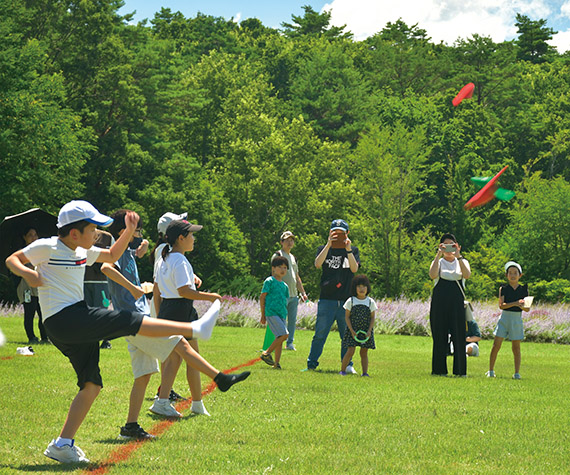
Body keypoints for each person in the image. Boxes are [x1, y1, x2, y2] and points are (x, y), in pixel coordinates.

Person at [5, 200, 250, 463]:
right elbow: (13, 259)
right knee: (126, 319)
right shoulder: (48, 246)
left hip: (74, 322)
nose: (97, 235)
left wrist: (127, 231)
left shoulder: (81, 252)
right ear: (74, 233)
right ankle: (194, 328)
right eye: (93, 230)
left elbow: (110, 256)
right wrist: (27, 273)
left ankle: (63, 444)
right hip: (65, 319)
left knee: (92, 384)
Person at [154, 219, 225, 417]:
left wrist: (161, 315)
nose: (194, 239)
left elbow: (160, 289)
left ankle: (196, 403)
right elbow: (184, 291)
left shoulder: (165, 258)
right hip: (180, 311)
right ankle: (163, 401)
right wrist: (210, 296)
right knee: (181, 358)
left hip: (170, 309)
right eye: (191, 235)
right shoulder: (180, 260)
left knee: (187, 358)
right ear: (181, 238)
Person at [305, 219, 360, 372]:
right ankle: (311, 364)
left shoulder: (353, 250)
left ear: (347, 233)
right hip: (326, 299)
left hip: (346, 300)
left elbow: (354, 269)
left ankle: (347, 365)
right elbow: (317, 264)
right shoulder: (323, 248)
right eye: (335, 232)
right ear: (330, 233)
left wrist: (348, 250)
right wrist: (329, 244)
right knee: (320, 334)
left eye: (341, 233)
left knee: (347, 335)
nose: (338, 235)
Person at [149, 211, 191, 403]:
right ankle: (164, 392)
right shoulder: (165, 250)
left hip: (165, 305)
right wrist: (159, 315)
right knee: (172, 354)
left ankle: (165, 390)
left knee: (172, 353)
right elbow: (158, 284)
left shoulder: (167, 250)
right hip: (165, 305)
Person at [428, 233, 471, 377]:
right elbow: (432, 275)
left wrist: (458, 255)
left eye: (451, 245)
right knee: (439, 336)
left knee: (458, 336)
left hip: (456, 304)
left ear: (457, 246)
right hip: (439, 304)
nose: (448, 249)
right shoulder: (439, 262)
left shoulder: (462, 262)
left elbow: (467, 275)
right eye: (445, 246)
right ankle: (439, 370)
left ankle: (460, 371)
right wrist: (438, 255)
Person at [487, 261, 529, 380]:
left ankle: (516, 373)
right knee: (496, 345)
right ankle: (491, 371)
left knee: (516, 348)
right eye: (510, 273)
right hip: (504, 318)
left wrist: (522, 306)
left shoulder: (524, 289)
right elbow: (501, 305)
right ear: (506, 275)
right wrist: (516, 303)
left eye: (515, 273)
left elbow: (527, 308)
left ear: (520, 275)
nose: (513, 275)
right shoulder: (503, 288)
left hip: (516, 319)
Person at [272, 231, 307, 351]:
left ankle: (290, 343)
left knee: (292, 321)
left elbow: (297, 277)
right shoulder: (277, 255)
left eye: (292, 240)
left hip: (294, 295)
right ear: (281, 242)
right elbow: (273, 275)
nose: (290, 242)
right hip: (281, 294)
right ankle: (277, 342)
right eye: (287, 240)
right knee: (280, 320)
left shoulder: (293, 258)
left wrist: (303, 292)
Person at [339, 275, 376, 377]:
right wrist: (351, 330)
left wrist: (369, 330)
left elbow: (372, 317)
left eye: (364, 286)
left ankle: (364, 373)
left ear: (367, 288)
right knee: (350, 351)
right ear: (354, 288)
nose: (361, 289)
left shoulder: (370, 302)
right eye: (359, 286)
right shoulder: (350, 301)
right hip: (353, 331)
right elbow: (347, 317)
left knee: (364, 352)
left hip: (366, 331)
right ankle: (342, 371)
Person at [16, 227, 48, 344]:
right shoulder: (21, 252)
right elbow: (24, 268)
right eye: (30, 235)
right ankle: (32, 337)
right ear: (24, 237)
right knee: (29, 312)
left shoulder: (41, 252)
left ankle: (45, 337)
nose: (34, 237)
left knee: (42, 312)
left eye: (35, 234)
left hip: (40, 286)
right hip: (27, 286)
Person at [83, 229, 113, 349]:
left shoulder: (107, 236)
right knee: (86, 312)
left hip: (101, 281)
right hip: (84, 279)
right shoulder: (82, 234)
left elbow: (114, 255)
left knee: (102, 312)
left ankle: (105, 340)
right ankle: (89, 339)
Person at [259, 256, 290, 369]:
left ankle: (276, 364)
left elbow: (285, 300)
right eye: (280, 267)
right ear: (273, 268)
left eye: (285, 268)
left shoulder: (285, 286)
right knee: (284, 335)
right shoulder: (269, 281)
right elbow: (262, 297)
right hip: (271, 313)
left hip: (281, 314)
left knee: (280, 338)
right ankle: (266, 353)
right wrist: (263, 314)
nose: (283, 270)